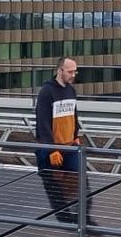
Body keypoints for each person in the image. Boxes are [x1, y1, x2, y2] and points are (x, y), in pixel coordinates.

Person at [33, 57, 84, 218]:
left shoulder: (71, 90)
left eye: (75, 72)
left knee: (76, 184)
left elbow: (74, 115)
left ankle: (77, 218)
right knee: (54, 189)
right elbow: (43, 123)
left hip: (69, 147)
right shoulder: (46, 92)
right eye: (70, 72)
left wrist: (75, 135)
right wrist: (52, 149)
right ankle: (61, 219)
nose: (73, 75)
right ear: (60, 71)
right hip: (51, 150)